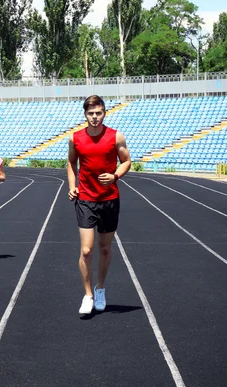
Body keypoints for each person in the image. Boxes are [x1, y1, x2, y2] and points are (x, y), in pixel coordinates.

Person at [67, 95, 131, 314]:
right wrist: (72, 185)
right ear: (85, 114)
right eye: (91, 113)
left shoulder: (116, 136)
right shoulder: (75, 138)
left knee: (104, 249)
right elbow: (70, 162)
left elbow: (127, 161)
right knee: (86, 250)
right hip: (85, 198)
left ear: (104, 113)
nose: (95, 117)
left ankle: (100, 288)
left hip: (109, 199)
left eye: (99, 113)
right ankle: (88, 295)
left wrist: (115, 176)